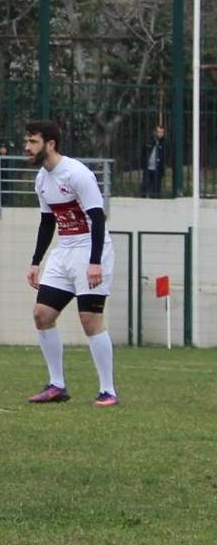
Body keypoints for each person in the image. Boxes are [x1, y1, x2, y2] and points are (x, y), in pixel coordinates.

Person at [24, 120, 119, 407]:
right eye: (26, 142)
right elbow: (47, 221)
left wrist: (94, 263)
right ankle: (56, 385)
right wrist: (35, 262)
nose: (27, 148)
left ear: (50, 144)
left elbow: (98, 217)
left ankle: (108, 391)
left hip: (91, 250)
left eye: (33, 142)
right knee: (42, 315)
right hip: (63, 251)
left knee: (89, 320)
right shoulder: (42, 179)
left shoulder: (77, 174)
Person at [140, 126, 167, 198]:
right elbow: (143, 152)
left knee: (156, 188)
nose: (160, 134)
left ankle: (155, 198)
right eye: (158, 132)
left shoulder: (164, 143)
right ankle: (143, 197)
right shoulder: (149, 141)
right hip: (148, 167)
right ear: (155, 132)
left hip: (158, 168)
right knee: (145, 185)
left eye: (162, 132)